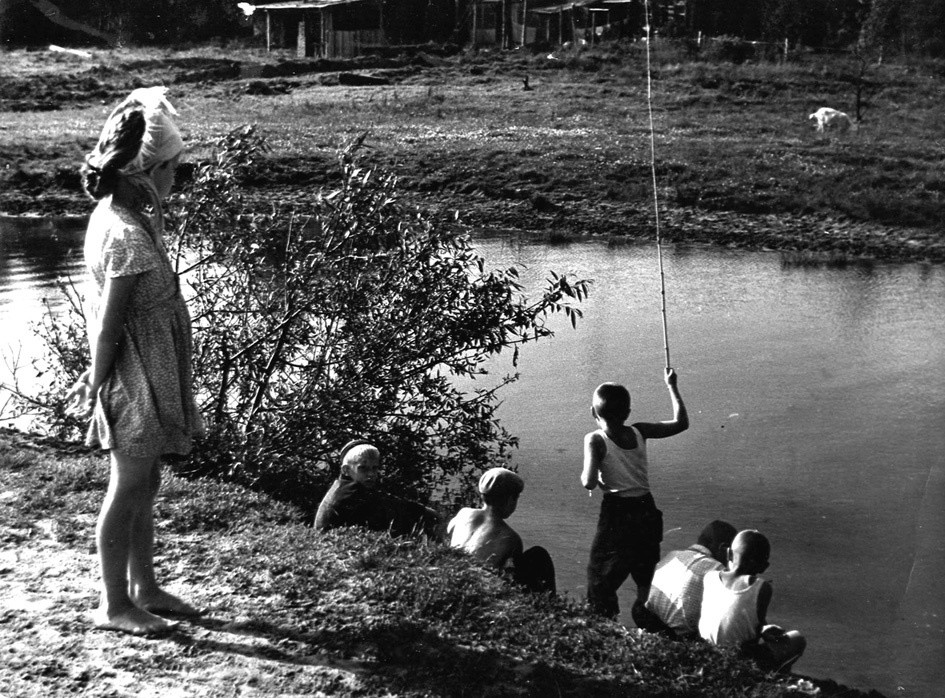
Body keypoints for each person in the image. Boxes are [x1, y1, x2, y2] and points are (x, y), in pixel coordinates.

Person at [66, 87, 203, 636]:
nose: (177, 178)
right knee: (127, 485)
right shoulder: (125, 234)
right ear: (149, 173)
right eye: (174, 168)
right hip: (134, 375)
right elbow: (108, 321)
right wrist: (95, 378)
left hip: (150, 366)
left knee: (146, 482)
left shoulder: (124, 217)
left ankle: (144, 587)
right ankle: (114, 604)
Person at [581, 368, 689, 619]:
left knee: (599, 575)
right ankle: (646, 622)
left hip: (617, 513)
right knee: (645, 575)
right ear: (628, 413)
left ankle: (603, 622)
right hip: (646, 510)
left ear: (593, 412)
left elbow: (588, 482)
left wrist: (595, 474)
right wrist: (671, 385)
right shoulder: (640, 431)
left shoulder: (595, 439)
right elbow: (681, 423)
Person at [698, 529, 807, 673]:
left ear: (728, 554)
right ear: (764, 567)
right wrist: (764, 631)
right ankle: (778, 674)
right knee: (798, 639)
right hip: (735, 660)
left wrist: (763, 629)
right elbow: (753, 637)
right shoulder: (760, 587)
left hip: (707, 652)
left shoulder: (710, 577)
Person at [447, 467, 556, 594]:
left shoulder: (464, 513)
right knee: (538, 554)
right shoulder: (511, 537)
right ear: (510, 500)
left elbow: (449, 531)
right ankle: (549, 601)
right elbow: (510, 571)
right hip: (477, 585)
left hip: (451, 572)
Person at [313, 440, 441, 538]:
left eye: (374, 468)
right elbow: (391, 504)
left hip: (329, 540)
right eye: (363, 468)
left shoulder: (342, 485)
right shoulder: (351, 492)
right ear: (346, 470)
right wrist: (427, 513)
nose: (371, 474)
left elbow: (390, 501)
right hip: (334, 543)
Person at [636, 519, 737, 638]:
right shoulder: (717, 570)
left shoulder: (672, 555)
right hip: (682, 635)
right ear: (723, 548)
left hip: (651, 622)